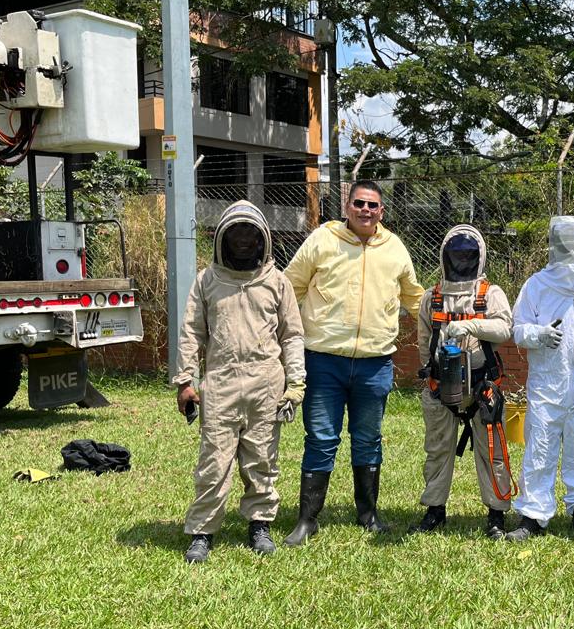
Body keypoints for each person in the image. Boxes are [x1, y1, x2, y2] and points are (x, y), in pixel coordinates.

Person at [282, 180, 425, 546]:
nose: (365, 210)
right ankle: (307, 520)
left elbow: (415, 299)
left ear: (382, 211)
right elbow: (289, 289)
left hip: (375, 364)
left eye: (373, 205)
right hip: (323, 361)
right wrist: (284, 335)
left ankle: (369, 513)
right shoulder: (322, 241)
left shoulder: (394, 249)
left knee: (368, 439)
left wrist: (450, 319)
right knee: (321, 438)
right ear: (347, 206)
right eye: (359, 203)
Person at [174, 200, 305, 564]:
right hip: (220, 384)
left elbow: (292, 335)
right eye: (237, 233)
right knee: (214, 461)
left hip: (266, 384)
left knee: (262, 458)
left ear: (262, 238)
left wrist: (295, 384)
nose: (244, 240)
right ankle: (202, 532)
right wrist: (186, 381)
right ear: (223, 239)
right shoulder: (207, 281)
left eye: (250, 232)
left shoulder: (277, 283)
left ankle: (259, 524)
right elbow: (190, 334)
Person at [507, 216, 574, 541]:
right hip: (547, 386)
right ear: (555, 245)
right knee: (539, 448)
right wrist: (539, 334)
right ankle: (533, 515)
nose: (570, 249)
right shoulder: (537, 285)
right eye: (564, 242)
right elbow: (518, 329)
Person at [411, 225, 516, 538]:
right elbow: (422, 342)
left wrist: (470, 326)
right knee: (437, 450)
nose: (462, 260)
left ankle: (496, 513)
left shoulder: (490, 294)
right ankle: (435, 509)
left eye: (468, 255)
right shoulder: (432, 297)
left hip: (483, 387)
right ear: (445, 257)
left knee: (492, 451)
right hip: (441, 388)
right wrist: (433, 374)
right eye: (456, 255)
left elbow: (504, 329)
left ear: (479, 257)